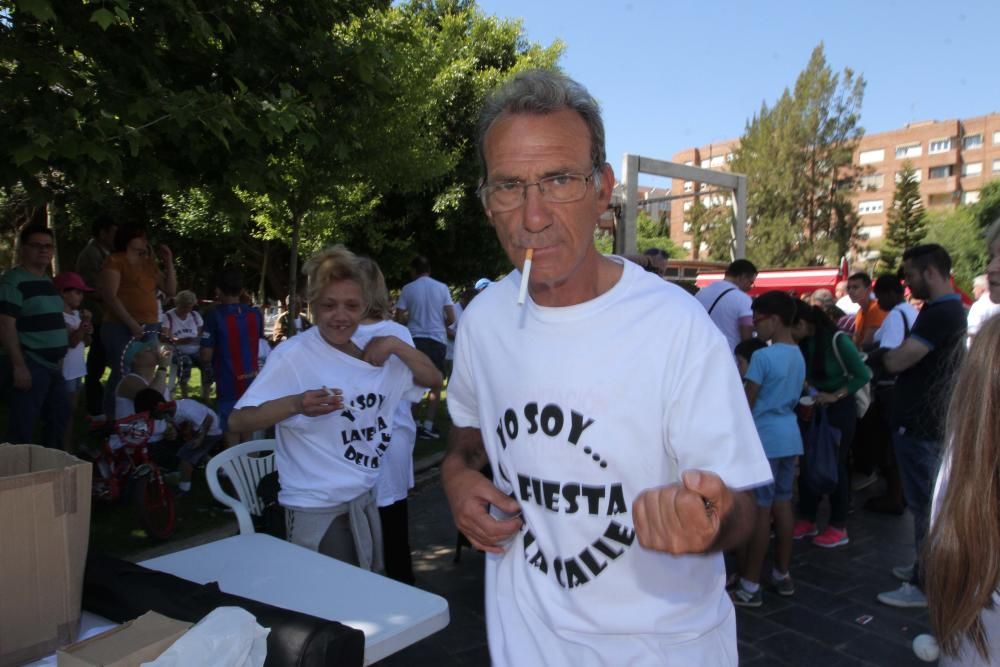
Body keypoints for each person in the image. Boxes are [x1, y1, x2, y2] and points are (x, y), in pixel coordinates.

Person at [442, 69, 771, 665]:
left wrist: (707, 520)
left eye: (559, 180)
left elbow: (743, 509)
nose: (533, 216)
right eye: (510, 186)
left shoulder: (676, 327)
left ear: (603, 191)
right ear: (488, 202)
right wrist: (457, 475)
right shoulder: (483, 320)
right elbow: (468, 432)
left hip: (664, 648)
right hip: (525, 643)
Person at [228, 246, 441, 569]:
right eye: (328, 305)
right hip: (315, 508)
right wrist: (296, 404)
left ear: (365, 307)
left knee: (362, 605)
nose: (340, 316)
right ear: (311, 306)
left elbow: (433, 379)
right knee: (331, 608)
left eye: (351, 306)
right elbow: (238, 420)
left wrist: (397, 345)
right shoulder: (294, 355)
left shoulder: (377, 357)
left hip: (363, 501)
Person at [868, 244, 967, 609]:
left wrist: (883, 357)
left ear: (929, 272)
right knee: (925, 504)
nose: (906, 283)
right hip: (928, 421)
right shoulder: (946, 309)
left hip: (922, 425)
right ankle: (922, 567)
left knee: (926, 506)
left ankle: (924, 583)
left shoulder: (940, 312)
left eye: (909, 274)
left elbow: (900, 360)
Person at [353, 256, 429, 584]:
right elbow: (414, 394)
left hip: (351, 445)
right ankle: (404, 596)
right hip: (391, 440)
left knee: (357, 530)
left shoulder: (336, 336)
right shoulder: (397, 334)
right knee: (394, 527)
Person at [730, 291, 806, 608]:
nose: (755, 326)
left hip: (764, 439)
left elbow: (747, 404)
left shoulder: (762, 357)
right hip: (790, 436)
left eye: (758, 320)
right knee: (784, 505)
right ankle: (781, 573)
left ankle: (750, 584)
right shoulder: (797, 355)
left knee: (761, 511)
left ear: (774, 319)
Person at [791, 303, 872, 548]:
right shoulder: (803, 344)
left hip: (839, 410)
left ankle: (838, 525)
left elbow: (862, 375)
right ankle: (807, 517)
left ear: (804, 324)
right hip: (814, 407)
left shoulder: (837, 340)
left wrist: (834, 395)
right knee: (807, 463)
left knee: (834, 463)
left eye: (792, 327)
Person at [0, 223, 70, 448]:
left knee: (58, 419)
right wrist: (19, 366)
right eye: (36, 246)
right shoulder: (13, 282)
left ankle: (51, 473)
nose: (43, 250)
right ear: (23, 249)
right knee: (23, 427)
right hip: (30, 363)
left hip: (52, 366)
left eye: (48, 246)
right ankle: (17, 479)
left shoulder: (47, 281)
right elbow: (6, 327)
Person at [97, 224, 176, 418]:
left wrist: (169, 262)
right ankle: (112, 421)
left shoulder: (149, 263)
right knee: (121, 372)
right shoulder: (114, 261)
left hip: (149, 325)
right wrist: (131, 323)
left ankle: (144, 416)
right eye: (141, 237)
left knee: (148, 370)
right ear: (128, 240)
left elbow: (171, 291)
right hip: (119, 326)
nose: (145, 242)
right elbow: (110, 296)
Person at [200, 266, 263, 445]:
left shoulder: (214, 316)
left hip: (228, 378)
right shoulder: (255, 314)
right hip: (251, 377)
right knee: (248, 424)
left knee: (231, 426)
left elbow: (205, 354)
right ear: (242, 290)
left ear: (218, 290)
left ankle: (232, 470)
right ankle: (251, 467)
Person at [395, 255, 455, 440]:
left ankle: (411, 423)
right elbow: (451, 317)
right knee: (436, 383)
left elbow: (399, 317)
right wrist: (440, 324)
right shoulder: (442, 287)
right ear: (429, 269)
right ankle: (428, 424)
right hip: (437, 339)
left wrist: (410, 320)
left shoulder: (408, 289)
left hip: (415, 339)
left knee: (414, 382)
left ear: (414, 270)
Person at [75, 217, 117, 418]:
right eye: (113, 232)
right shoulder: (90, 255)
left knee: (102, 362)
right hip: (98, 316)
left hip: (106, 316)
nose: (116, 237)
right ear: (102, 233)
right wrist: (113, 296)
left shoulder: (106, 253)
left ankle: (100, 404)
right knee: (96, 363)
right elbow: (89, 288)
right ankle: (94, 407)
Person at [55, 272, 95, 452]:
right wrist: (85, 324)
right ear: (64, 292)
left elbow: (86, 342)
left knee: (74, 411)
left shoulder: (77, 315)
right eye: (77, 292)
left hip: (78, 369)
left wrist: (86, 330)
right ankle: (65, 448)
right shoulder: (59, 316)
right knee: (65, 413)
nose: (81, 296)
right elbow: (71, 342)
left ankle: (70, 444)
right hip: (66, 371)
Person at [694, 259, 757, 352]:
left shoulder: (701, 294)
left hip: (701, 355)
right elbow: (746, 338)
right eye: (751, 282)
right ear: (742, 277)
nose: (750, 287)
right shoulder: (743, 299)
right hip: (729, 358)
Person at [161, 290, 209, 400]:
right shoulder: (168, 316)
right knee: (185, 362)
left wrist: (197, 339)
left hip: (195, 349)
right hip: (176, 350)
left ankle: (205, 396)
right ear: (178, 304)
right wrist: (179, 341)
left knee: (207, 362)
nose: (187, 310)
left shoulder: (195, 315)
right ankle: (184, 394)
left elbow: (201, 333)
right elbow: (164, 337)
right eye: (184, 307)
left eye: (190, 307)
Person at [847, 271, 886, 350]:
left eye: (855, 287)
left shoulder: (876, 308)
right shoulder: (860, 312)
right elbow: (856, 339)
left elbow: (867, 343)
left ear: (869, 289)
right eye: (848, 288)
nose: (850, 291)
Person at [965, 273, 1000, 346]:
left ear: (981, 289)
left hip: (979, 348)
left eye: (975, 287)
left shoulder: (978, 306)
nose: (973, 290)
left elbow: (973, 332)